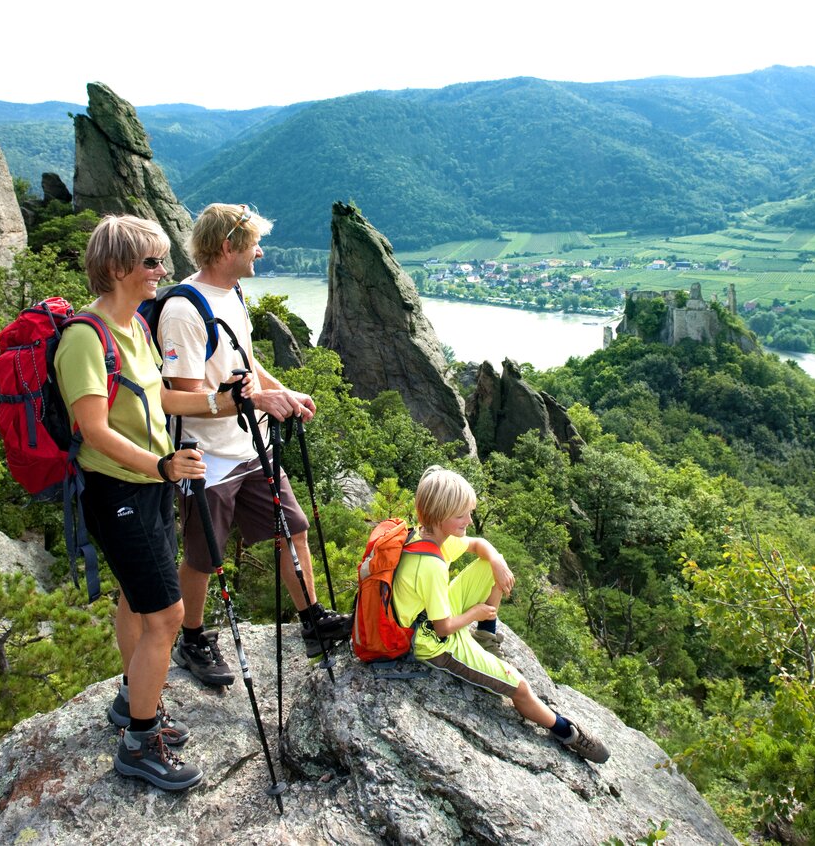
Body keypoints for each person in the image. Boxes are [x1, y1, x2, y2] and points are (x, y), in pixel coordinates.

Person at [54, 214, 249, 792]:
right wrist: (161, 464)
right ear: (117, 269)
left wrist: (224, 401)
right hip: (117, 490)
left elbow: (158, 395)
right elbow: (92, 429)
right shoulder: (84, 339)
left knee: (136, 602)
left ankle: (131, 696)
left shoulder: (135, 326)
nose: (162, 273)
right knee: (167, 615)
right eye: (151, 263)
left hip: (148, 488)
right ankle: (140, 741)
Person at [157, 203, 351, 688]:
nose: (260, 252)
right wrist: (250, 401)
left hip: (252, 447)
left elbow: (244, 362)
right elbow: (178, 399)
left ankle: (312, 623)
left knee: (294, 530)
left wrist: (278, 391)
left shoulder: (233, 291)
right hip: (209, 459)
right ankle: (194, 638)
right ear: (227, 247)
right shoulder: (184, 310)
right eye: (253, 244)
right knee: (204, 557)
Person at [391, 465, 610, 763]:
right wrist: (476, 611)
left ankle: (485, 636)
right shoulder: (431, 566)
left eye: (469, 512)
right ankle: (567, 732)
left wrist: (494, 558)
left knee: (492, 563)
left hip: (428, 615)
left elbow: (480, 545)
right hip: (433, 643)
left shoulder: (427, 537)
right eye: (461, 515)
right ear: (439, 516)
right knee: (519, 687)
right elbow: (443, 628)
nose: (469, 520)